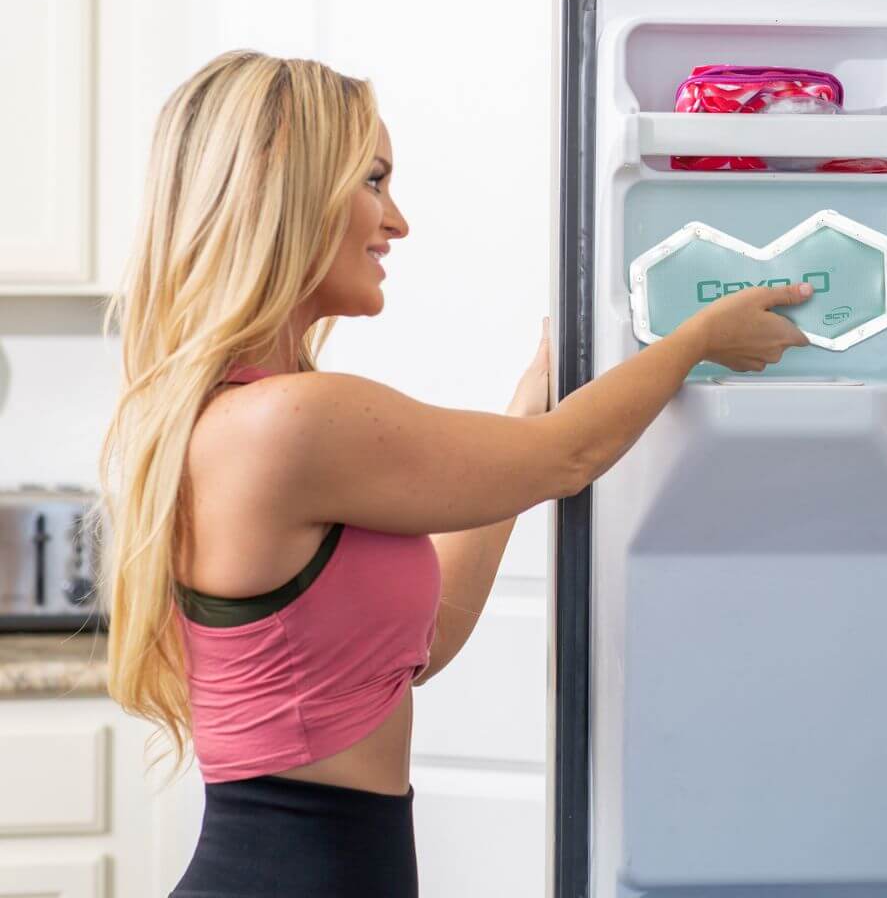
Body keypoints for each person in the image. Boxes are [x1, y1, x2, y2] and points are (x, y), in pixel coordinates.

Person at [93, 49, 813, 897]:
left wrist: (530, 405)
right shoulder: (290, 422)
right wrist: (697, 340)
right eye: (372, 181)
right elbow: (568, 458)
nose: (396, 222)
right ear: (282, 191)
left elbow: (423, 645)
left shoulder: (241, 416)